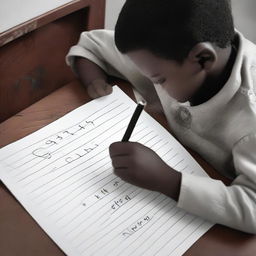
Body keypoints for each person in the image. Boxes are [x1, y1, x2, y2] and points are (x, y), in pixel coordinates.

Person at [66, 0, 256, 234]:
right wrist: (94, 80)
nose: (152, 81)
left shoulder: (251, 117)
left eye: (158, 80)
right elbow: (92, 44)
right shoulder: (169, 50)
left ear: (203, 59)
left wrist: (169, 181)